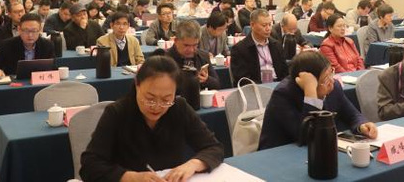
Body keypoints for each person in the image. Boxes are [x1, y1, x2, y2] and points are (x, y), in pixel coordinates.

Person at [79, 56, 224, 182]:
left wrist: (193, 164)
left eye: (166, 99)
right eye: (149, 98)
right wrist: (130, 177)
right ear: (137, 85)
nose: (157, 106)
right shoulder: (117, 113)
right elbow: (89, 165)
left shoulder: (179, 108)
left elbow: (214, 147)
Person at [259, 51, 377, 150]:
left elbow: (352, 114)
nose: (331, 81)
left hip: (316, 150)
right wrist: (311, 93)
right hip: (279, 153)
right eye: (325, 79)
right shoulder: (283, 95)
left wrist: (361, 125)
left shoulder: (334, 86)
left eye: (331, 73)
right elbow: (306, 136)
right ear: (308, 82)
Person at [230, 9, 288, 85]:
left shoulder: (276, 45)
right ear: (252, 25)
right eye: (264, 25)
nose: (268, 29)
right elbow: (242, 78)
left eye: (270, 24)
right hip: (255, 87)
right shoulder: (240, 49)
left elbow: (284, 72)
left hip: (277, 86)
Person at [0, 13, 55, 77]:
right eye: (26, 31)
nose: (30, 35)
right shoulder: (7, 45)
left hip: (39, 82)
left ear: (40, 30)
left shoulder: (47, 45)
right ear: (19, 29)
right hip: (14, 83)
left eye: (34, 31)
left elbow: (53, 68)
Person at [166, 20, 220, 91]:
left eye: (195, 45)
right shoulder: (165, 60)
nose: (191, 50)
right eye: (186, 45)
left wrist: (207, 79)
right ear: (176, 41)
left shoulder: (203, 56)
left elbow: (217, 84)